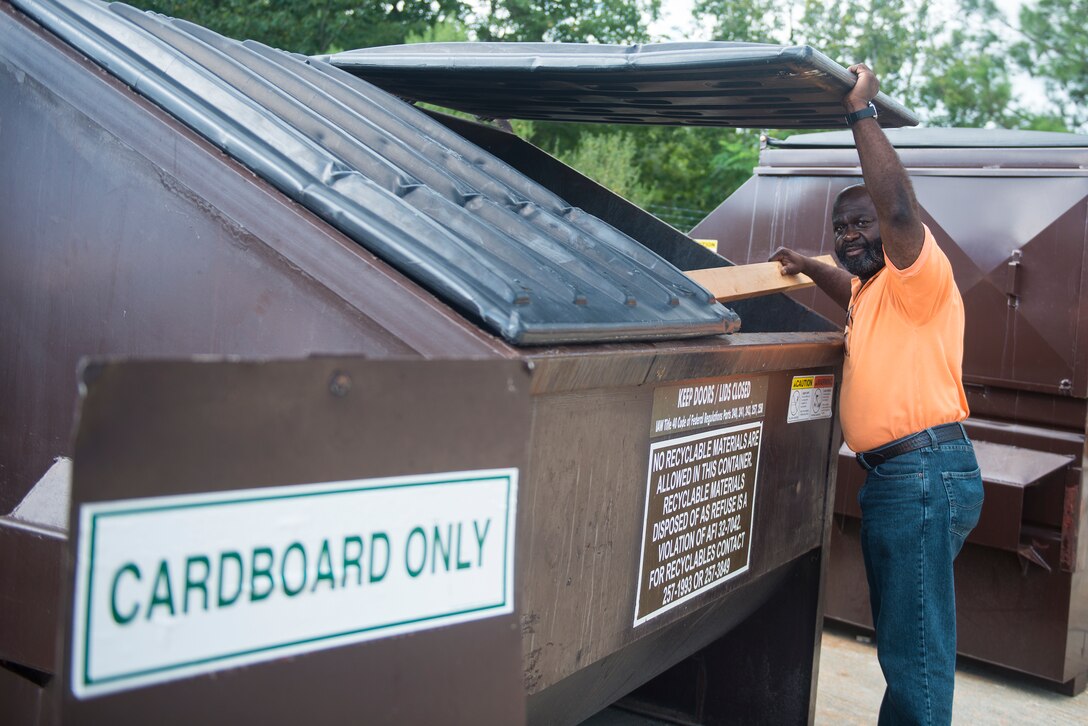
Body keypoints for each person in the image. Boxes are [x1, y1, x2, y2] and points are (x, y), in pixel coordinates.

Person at [770, 64, 984, 725]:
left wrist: (861, 115)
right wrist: (813, 268)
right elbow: (850, 289)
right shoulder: (872, 291)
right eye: (841, 229)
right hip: (907, 476)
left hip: (921, 474)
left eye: (860, 225)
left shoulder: (917, 275)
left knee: (914, 648)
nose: (850, 236)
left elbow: (896, 209)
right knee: (907, 638)